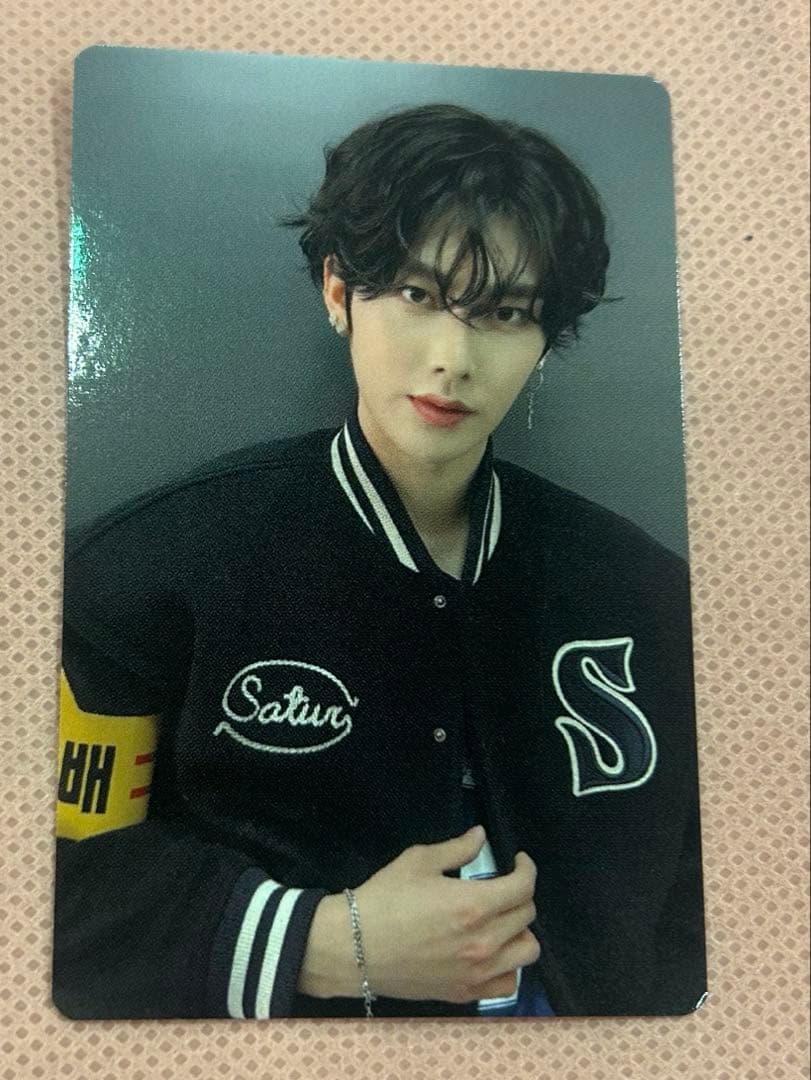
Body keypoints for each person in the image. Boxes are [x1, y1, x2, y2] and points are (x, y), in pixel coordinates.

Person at [53, 103, 706, 1019]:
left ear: (543, 337)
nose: (452, 358)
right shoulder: (151, 567)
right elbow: (55, 880)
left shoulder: (642, 589)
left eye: (504, 312)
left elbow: (711, 898)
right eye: (416, 294)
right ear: (338, 292)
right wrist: (318, 941)